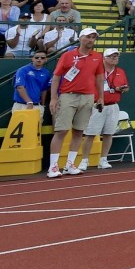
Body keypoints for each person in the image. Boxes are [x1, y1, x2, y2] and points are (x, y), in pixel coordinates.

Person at [47, 27, 104, 177]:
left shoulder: (97, 57)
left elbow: (99, 77)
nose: (90, 40)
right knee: (61, 131)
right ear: (80, 38)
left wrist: (100, 97)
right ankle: (53, 166)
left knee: (79, 131)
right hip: (68, 95)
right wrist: (53, 98)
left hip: (88, 97)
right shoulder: (68, 55)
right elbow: (57, 76)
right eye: (88, 37)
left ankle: (70, 164)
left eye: (93, 37)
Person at [79, 48, 130, 170]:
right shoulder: (96, 71)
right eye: (111, 56)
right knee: (90, 133)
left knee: (109, 133)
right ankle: (84, 160)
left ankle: (103, 159)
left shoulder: (120, 71)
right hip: (97, 105)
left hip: (113, 105)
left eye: (116, 56)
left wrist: (122, 89)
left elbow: (126, 87)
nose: (115, 58)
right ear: (104, 58)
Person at [12, 49, 52, 114]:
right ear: (32, 59)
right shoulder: (23, 70)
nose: (39, 59)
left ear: (46, 59)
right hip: (22, 105)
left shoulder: (46, 72)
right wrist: (29, 102)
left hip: (37, 106)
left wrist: (42, 104)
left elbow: (44, 90)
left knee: (37, 124)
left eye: (42, 58)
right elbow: (19, 87)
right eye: (36, 57)